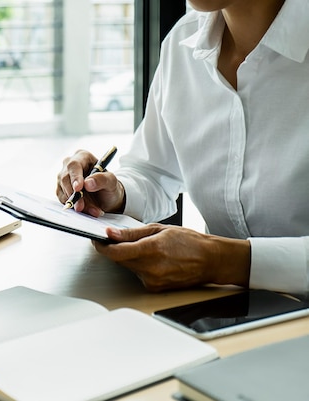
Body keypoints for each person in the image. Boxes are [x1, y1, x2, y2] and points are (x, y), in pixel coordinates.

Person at [56, 0, 309, 295]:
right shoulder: (182, 43)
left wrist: (220, 260)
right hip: (223, 312)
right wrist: (114, 192)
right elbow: (152, 171)